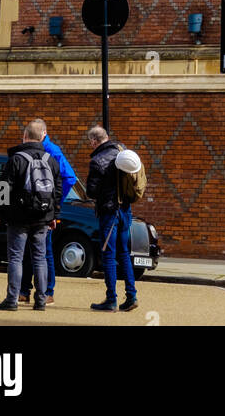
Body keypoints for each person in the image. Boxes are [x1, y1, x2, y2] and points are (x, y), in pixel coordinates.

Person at [0, 120, 62, 312]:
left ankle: (12, 299)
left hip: (18, 217)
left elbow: (3, 188)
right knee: (40, 258)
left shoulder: (16, 159)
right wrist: (54, 216)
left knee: (15, 258)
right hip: (43, 217)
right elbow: (57, 190)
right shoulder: (51, 160)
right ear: (43, 137)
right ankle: (41, 300)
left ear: (24, 136)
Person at [18, 117, 76, 306]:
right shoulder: (43, 149)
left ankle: (47, 291)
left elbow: (69, 178)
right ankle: (26, 291)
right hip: (34, 208)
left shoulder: (51, 151)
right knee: (32, 251)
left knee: (44, 252)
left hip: (42, 209)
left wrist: (53, 201)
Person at [85, 124, 137, 312]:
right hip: (125, 210)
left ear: (93, 141)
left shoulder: (97, 161)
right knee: (124, 253)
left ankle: (111, 299)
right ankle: (131, 295)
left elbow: (91, 191)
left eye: (89, 142)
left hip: (109, 213)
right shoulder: (122, 151)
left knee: (108, 254)